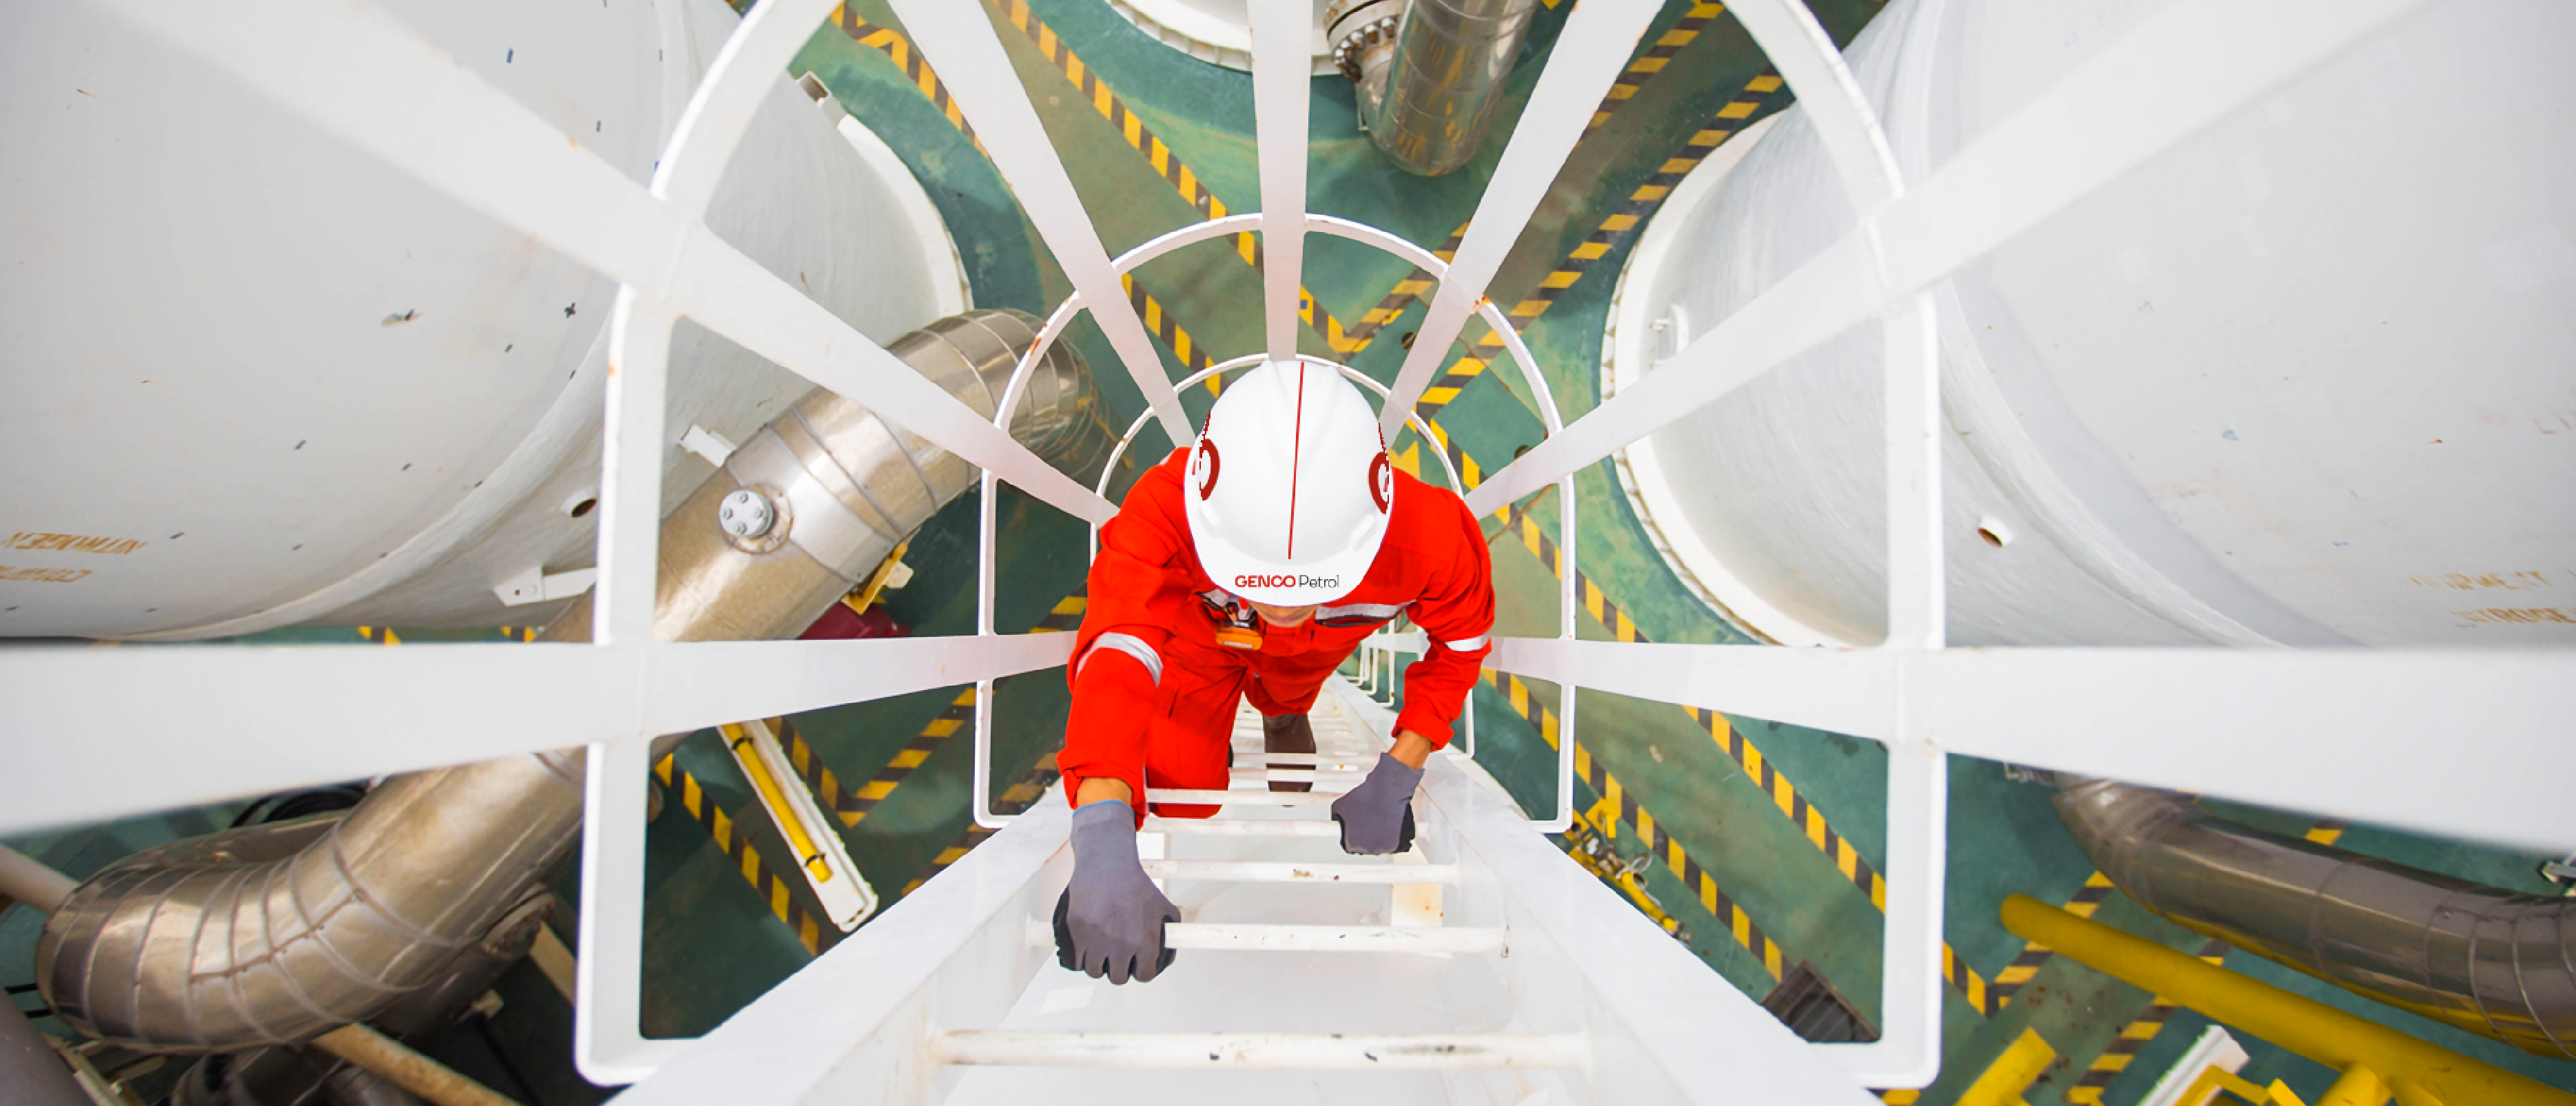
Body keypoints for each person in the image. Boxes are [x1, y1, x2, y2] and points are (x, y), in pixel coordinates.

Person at [1051, 359, 1496, 985]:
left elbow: (1461, 644)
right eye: (1254, 580)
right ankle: (1259, 719)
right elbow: (1118, 649)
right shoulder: (1163, 507)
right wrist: (1100, 825)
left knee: (1288, 690)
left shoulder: (1433, 536)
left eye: (1311, 586)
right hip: (1198, 648)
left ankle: (1282, 714)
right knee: (1179, 794)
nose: (1280, 610)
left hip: (1305, 661)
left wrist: (1402, 766)